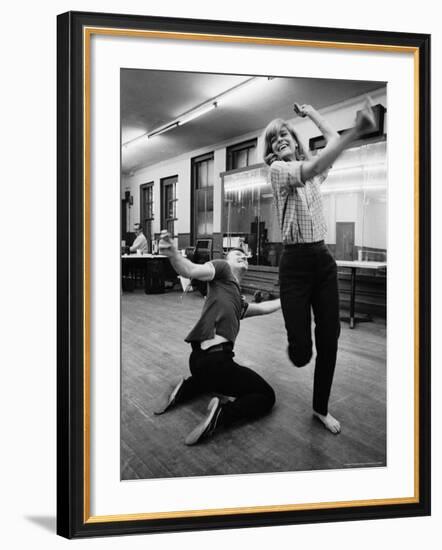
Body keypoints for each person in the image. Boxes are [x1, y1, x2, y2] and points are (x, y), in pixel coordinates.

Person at [263, 99, 376, 434]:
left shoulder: (314, 174)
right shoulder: (279, 171)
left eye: (285, 134)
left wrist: (311, 112)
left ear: (297, 141)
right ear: (271, 150)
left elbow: (329, 140)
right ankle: (298, 345)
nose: (280, 138)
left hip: (323, 262)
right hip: (294, 266)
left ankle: (320, 409)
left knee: (331, 338)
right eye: (274, 138)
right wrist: (356, 130)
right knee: (301, 354)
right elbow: (311, 167)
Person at [154, 231, 280, 445]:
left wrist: (287, 298)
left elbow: (263, 308)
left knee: (211, 381)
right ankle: (221, 415)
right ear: (225, 259)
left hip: (199, 362)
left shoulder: (236, 301)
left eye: (244, 255)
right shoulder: (222, 269)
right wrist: (174, 255)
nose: (242, 256)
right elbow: (190, 270)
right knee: (266, 395)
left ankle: (185, 389)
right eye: (236, 254)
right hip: (216, 362)